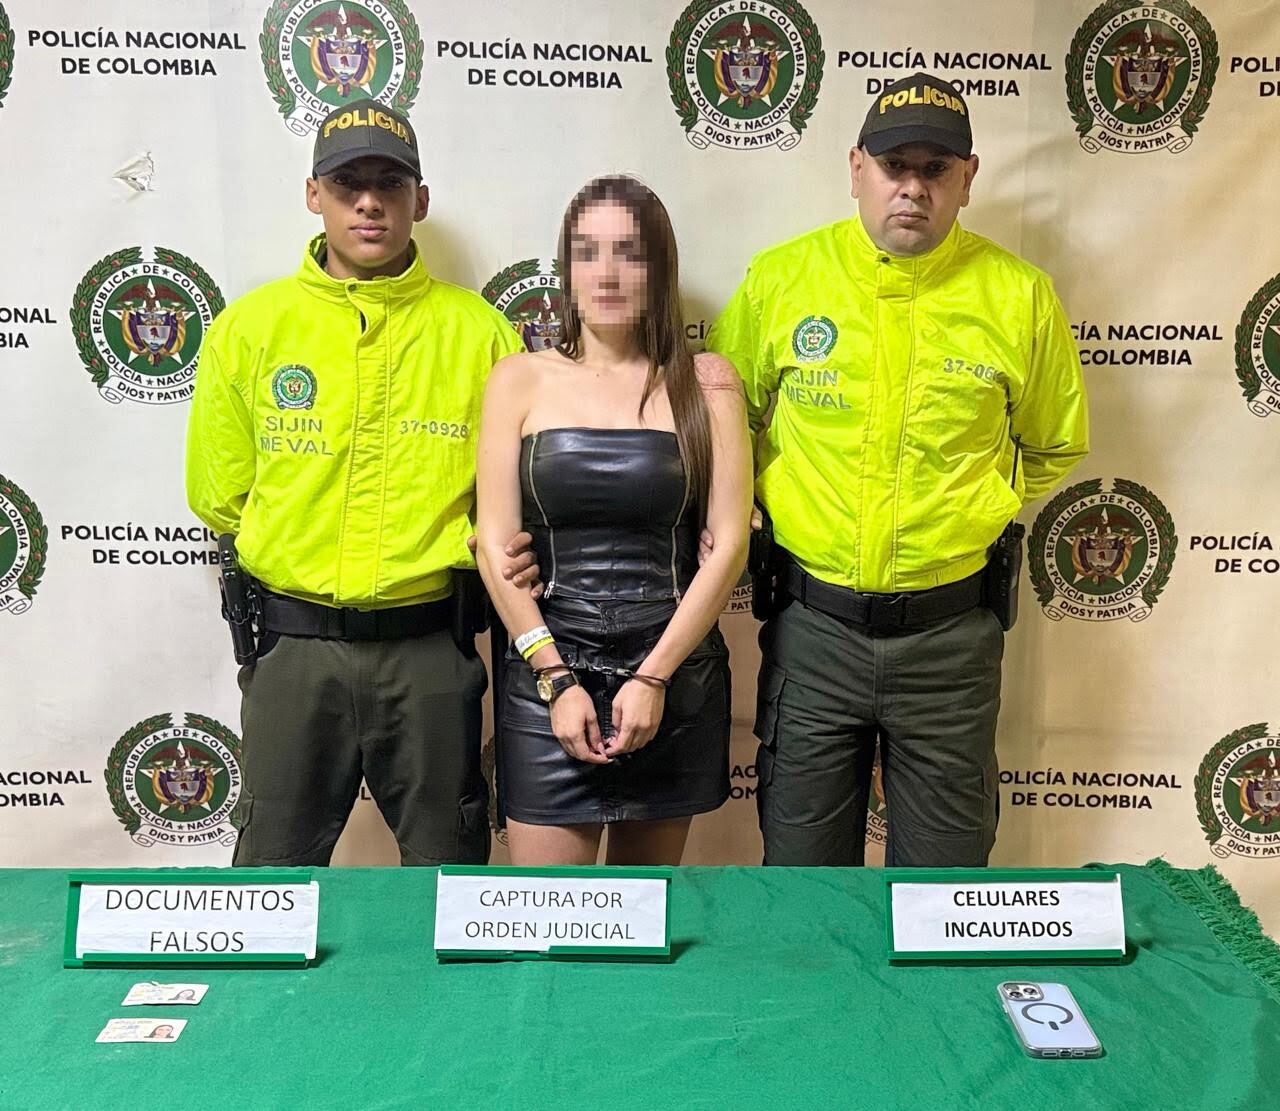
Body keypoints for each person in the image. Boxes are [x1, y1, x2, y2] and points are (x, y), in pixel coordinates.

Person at [704, 73, 1089, 868]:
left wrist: (972, 505)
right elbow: (723, 410)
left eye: (935, 169)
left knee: (944, 894)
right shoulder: (783, 280)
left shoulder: (1020, 298)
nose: (912, 188)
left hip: (951, 639)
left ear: (967, 179)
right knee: (804, 888)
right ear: (855, 168)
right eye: (893, 166)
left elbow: (1054, 443)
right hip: (814, 631)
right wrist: (747, 495)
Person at [186, 99, 523, 867]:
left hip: (430, 652)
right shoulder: (251, 328)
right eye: (347, 184)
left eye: (389, 183)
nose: (369, 202)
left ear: (420, 200)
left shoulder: (481, 335)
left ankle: (449, 999)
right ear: (314, 194)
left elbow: (508, 497)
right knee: (270, 879)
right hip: (294, 652)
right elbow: (221, 494)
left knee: (450, 873)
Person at [476, 175, 752, 866]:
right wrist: (556, 678)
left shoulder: (709, 382)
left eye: (629, 252)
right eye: (587, 251)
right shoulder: (518, 378)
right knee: (548, 932)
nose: (605, 272)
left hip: (673, 679)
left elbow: (728, 548)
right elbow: (493, 543)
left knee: (646, 924)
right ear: (565, 266)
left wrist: (653, 677)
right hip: (548, 681)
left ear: (659, 269)